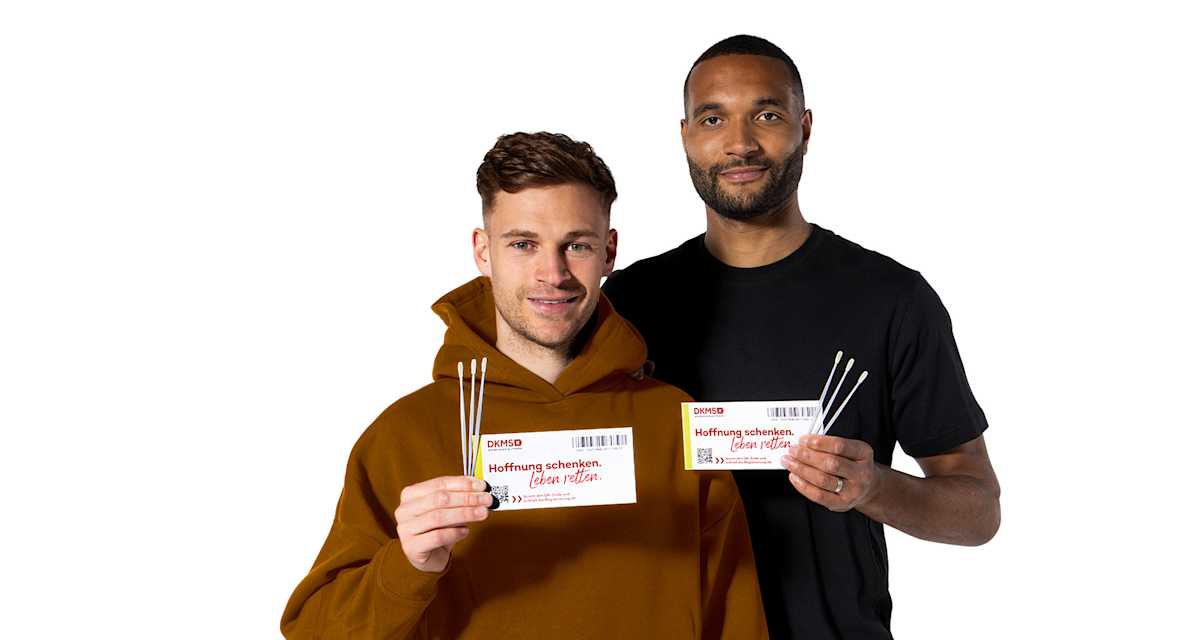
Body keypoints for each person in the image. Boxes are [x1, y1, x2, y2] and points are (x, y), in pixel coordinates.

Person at [281, 132, 768, 638]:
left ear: (609, 252)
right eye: (523, 244)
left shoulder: (675, 423)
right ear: (482, 250)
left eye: (576, 245)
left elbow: (736, 616)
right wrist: (406, 565)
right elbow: (313, 631)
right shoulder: (404, 435)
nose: (552, 273)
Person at [602, 35, 1002, 639]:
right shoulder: (625, 305)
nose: (740, 143)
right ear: (686, 134)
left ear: (805, 126)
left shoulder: (890, 299)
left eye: (767, 115)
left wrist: (873, 487)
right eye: (714, 118)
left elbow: (978, 511)